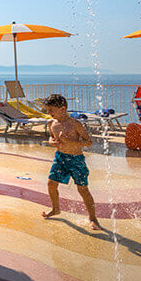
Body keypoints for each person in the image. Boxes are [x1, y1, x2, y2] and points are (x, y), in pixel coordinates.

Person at [41, 93, 101, 230]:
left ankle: (93, 218)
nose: (49, 113)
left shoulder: (75, 124)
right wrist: (52, 142)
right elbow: (51, 138)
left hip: (76, 160)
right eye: (47, 110)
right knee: (51, 184)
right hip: (60, 158)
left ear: (63, 109)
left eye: (51, 110)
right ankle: (56, 209)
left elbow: (89, 142)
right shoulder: (52, 123)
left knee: (83, 189)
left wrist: (69, 142)